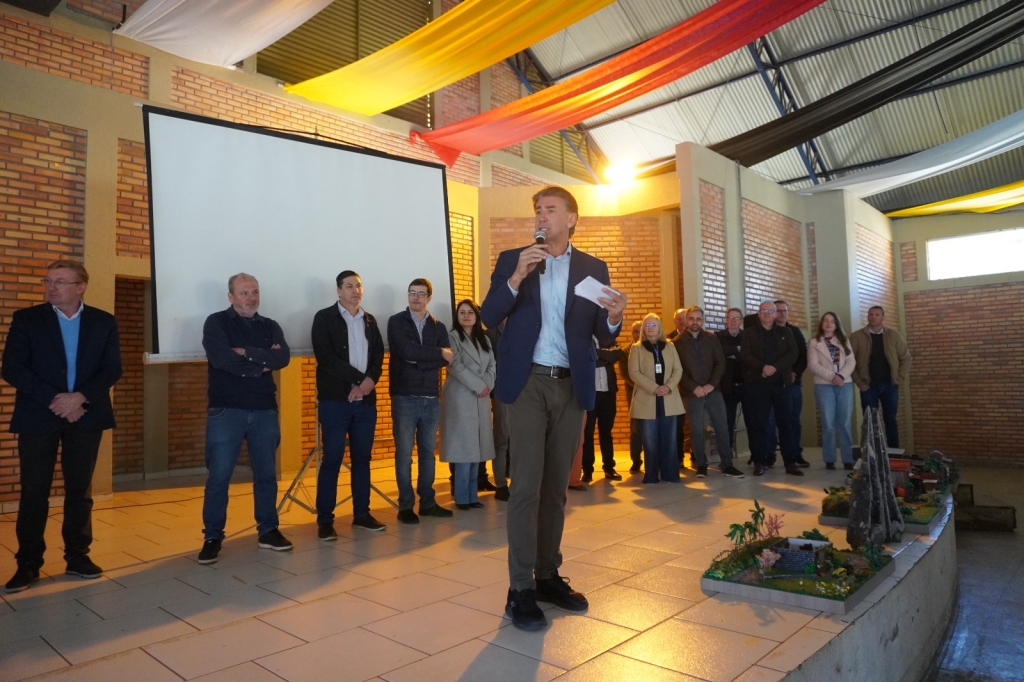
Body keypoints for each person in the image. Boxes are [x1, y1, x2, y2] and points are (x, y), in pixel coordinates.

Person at [481, 186, 627, 631]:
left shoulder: (592, 268)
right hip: (527, 382)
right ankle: (520, 588)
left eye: (550, 210)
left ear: (571, 219)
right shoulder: (513, 259)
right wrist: (515, 279)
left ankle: (547, 575)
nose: (542, 217)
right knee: (526, 488)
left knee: (556, 490)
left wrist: (616, 315)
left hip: (571, 385)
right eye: (538, 211)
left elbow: (604, 333)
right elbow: (488, 316)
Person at [2, 261, 122, 592]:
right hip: (38, 415)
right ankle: (28, 563)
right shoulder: (27, 319)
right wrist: (56, 400)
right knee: (33, 491)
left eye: (60, 282)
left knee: (79, 490)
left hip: (86, 415)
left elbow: (112, 368)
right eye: (48, 280)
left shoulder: (103, 321)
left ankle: (78, 556)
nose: (51, 287)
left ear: (81, 287)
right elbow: (12, 367)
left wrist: (80, 398)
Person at [198, 273, 292, 565]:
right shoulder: (216, 323)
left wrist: (246, 353)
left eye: (255, 292)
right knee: (219, 476)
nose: (251, 298)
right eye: (244, 293)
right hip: (226, 410)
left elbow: (282, 358)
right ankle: (213, 536)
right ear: (231, 297)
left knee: (266, 474)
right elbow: (221, 359)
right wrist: (261, 362)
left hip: (264, 409)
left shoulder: (270, 326)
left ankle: (268, 530)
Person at [311, 270, 386, 537]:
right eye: (350, 286)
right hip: (335, 401)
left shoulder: (370, 320)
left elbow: (378, 355)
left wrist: (368, 382)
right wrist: (359, 380)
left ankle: (361, 514)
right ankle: (325, 520)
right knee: (332, 459)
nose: (356, 290)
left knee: (362, 459)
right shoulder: (324, 318)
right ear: (339, 290)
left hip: (365, 402)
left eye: (359, 286)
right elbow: (326, 358)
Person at [387, 278, 454, 524]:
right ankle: (405, 506)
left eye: (421, 293)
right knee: (404, 454)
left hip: (431, 398)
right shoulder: (396, 322)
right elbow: (406, 351)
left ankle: (427, 503)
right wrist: (436, 354)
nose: (415, 297)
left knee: (427, 453)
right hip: (404, 396)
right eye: (412, 293)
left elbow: (446, 359)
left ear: (429, 298)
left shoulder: (439, 327)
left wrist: (420, 359)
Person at [673, 306, 744, 479]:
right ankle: (701, 465)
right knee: (696, 430)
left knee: (722, 427)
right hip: (692, 392)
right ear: (686, 320)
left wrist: (711, 384)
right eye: (691, 318)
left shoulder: (712, 338)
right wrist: (694, 387)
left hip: (713, 390)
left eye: (698, 318)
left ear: (702, 320)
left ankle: (727, 465)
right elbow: (677, 369)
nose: (695, 322)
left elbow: (721, 362)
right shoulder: (676, 342)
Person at [440, 300, 496, 510]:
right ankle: (462, 497)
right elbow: (455, 365)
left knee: (477, 449)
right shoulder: (452, 336)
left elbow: (492, 364)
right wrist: (478, 385)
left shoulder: (484, 339)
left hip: (481, 397)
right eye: (462, 312)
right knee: (464, 449)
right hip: (461, 396)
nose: (466, 316)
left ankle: (473, 495)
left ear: (476, 316)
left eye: (470, 312)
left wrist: (487, 385)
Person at [741, 301, 800, 477]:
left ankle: (790, 462)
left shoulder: (786, 332)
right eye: (763, 310)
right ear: (759, 314)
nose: (767, 313)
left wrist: (774, 367)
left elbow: (793, 354)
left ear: (775, 314)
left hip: (782, 385)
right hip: (758, 385)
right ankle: (760, 462)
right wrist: (762, 367)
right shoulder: (749, 333)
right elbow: (745, 355)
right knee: (759, 424)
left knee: (785, 424)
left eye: (770, 311)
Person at [629, 313, 684, 484]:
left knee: (670, 439)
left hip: (668, 397)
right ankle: (651, 475)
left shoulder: (670, 346)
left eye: (654, 325)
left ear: (660, 328)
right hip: (647, 398)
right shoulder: (637, 348)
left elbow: (678, 370)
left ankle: (670, 474)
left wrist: (668, 387)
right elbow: (634, 373)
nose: (650, 328)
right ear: (643, 329)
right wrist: (655, 388)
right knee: (650, 441)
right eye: (647, 325)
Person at [850, 306, 912, 449]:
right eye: (871, 314)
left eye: (877, 314)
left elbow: (906, 358)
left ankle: (894, 454)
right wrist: (858, 381)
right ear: (867, 316)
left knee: (890, 420)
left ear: (883, 317)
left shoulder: (894, 335)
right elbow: (849, 361)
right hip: (867, 386)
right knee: (869, 422)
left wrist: (899, 378)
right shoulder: (856, 337)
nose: (873, 317)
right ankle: (871, 455)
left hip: (890, 385)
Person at [808, 312, 857, 470]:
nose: (829, 323)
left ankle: (848, 459)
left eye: (832, 321)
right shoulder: (814, 342)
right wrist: (832, 376)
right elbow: (813, 364)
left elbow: (851, 362)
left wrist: (841, 376)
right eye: (826, 321)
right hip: (824, 386)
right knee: (828, 423)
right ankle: (829, 459)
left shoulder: (844, 341)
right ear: (821, 323)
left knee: (844, 423)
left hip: (844, 384)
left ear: (837, 325)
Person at [765, 300, 809, 468]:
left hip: (793, 383)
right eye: (778, 310)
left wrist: (794, 373)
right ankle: (770, 455)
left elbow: (802, 356)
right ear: (773, 313)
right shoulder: (766, 332)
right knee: (770, 421)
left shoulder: (795, 332)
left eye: (785, 311)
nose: (782, 313)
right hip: (771, 383)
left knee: (793, 420)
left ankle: (795, 453)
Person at [582, 340, 623, 482]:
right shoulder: (584, 338)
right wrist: (606, 357)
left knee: (606, 432)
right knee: (587, 433)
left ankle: (609, 468)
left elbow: (616, 355)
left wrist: (595, 355)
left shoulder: (609, 339)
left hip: (608, 393)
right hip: (589, 394)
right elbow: (585, 359)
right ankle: (587, 470)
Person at [486, 321, 511, 501]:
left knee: (523, 441)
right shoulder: (491, 333)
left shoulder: (524, 326)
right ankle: (501, 485)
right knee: (502, 438)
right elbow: (490, 363)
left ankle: (520, 482)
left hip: (527, 392)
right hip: (503, 391)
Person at [715, 308, 745, 453]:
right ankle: (727, 456)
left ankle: (757, 456)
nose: (733, 321)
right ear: (726, 320)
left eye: (736, 318)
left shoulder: (748, 336)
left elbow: (750, 355)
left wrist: (731, 354)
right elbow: (718, 353)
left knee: (753, 421)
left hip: (746, 385)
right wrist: (738, 349)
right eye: (730, 318)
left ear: (741, 321)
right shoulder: (717, 336)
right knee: (727, 422)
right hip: (726, 387)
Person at [618, 320, 644, 473]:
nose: (638, 334)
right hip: (634, 395)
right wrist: (644, 386)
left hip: (652, 395)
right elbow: (625, 375)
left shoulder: (651, 349)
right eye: (635, 331)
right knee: (636, 429)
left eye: (641, 331)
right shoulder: (625, 352)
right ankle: (636, 460)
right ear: (631, 333)